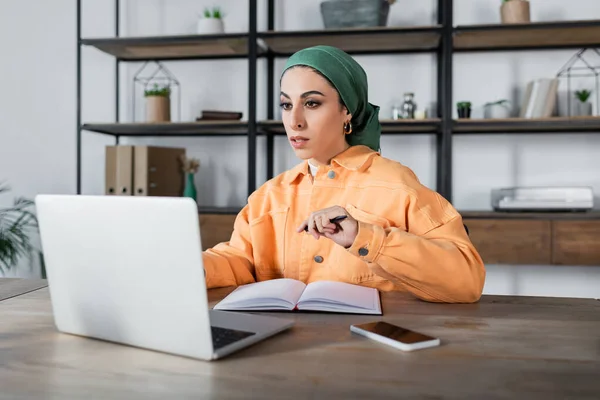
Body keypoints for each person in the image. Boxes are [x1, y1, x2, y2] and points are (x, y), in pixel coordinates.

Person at [202, 45, 485, 303]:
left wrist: (365, 238)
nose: (294, 121)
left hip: (367, 352)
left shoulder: (396, 185)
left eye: (312, 103)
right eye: (287, 105)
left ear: (346, 111)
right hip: (282, 351)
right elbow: (239, 259)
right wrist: (195, 267)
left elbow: (467, 280)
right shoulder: (268, 196)